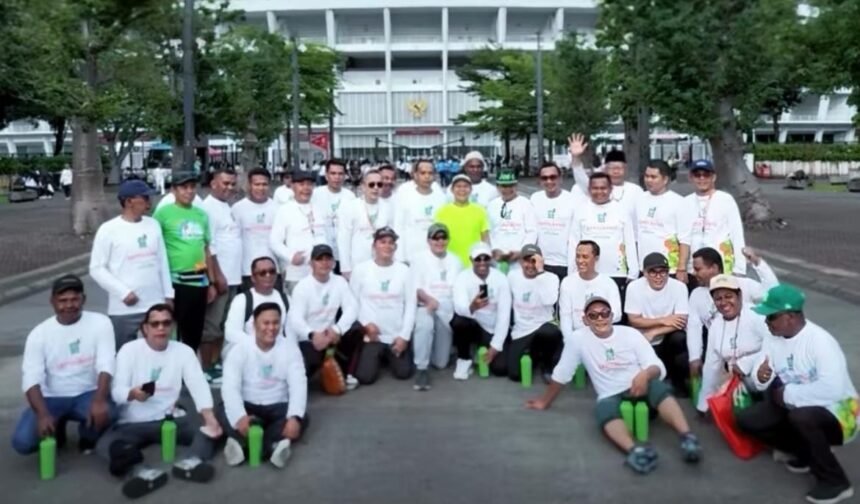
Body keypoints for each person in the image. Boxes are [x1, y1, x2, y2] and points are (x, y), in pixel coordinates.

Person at [526, 296, 702, 474]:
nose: (600, 318)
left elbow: (655, 365)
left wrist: (645, 374)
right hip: (610, 393)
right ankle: (634, 450)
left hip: (640, 384)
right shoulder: (577, 339)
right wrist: (544, 402)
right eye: (593, 315)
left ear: (611, 316)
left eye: (604, 314)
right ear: (585, 320)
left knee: (659, 389)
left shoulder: (630, 334)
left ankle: (687, 437)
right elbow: (562, 373)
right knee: (603, 409)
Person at [738, 285, 858, 504]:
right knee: (748, 420)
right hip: (795, 402)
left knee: (801, 417)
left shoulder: (821, 342)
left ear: (790, 317)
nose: (766, 322)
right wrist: (761, 377)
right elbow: (761, 371)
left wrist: (787, 394)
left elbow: (833, 388)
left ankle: (836, 482)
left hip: (842, 412)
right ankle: (804, 453)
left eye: (771, 317)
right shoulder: (773, 337)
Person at [96, 304, 221, 499]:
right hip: (134, 422)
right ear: (145, 328)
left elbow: (198, 385)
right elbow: (117, 391)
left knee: (211, 429)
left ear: (172, 327)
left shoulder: (184, 351)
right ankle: (141, 472)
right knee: (106, 443)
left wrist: (209, 416)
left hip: (171, 419)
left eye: (166, 323)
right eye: (155, 324)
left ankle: (191, 462)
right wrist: (132, 394)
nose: (161, 328)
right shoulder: (129, 350)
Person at [12, 275, 116, 455]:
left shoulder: (101, 323)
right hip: (52, 397)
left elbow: (106, 364)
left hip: (88, 393)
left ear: (83, 299)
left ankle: (88, 434)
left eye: (75, 299)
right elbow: (31, 379)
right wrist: (43, 415)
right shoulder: (39, 334)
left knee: (111, 414)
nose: (69, 305)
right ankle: (56, 426)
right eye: (63, 300)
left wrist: (99, 400)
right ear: (52, 301)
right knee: (23, 442)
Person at [219, 302, 308, 469]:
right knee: (223, 410)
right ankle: (272, 445)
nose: (271, 328)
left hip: (277, 406)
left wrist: (294, 418)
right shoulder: (239, 350)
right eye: (266, 323)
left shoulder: (291, 349)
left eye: (275, 323)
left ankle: (245, 444)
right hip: (248, 405)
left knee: (301, 417)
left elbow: (299, 385)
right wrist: (239, 417)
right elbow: (230, 387)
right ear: (254, 325)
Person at [90, 180, 173, 349]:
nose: (149, 202)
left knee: (157, 351)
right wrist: (123, 292)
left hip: (155, 304)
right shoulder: (108, 229)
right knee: (123, 353)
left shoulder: (153, 225)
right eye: (145, 198)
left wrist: (168, 295)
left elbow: (162, 262)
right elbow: (96, 268)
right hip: (124, 308)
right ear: (128, 201)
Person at [687, 246, 778, 379]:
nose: (693, 273)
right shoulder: (696, 295)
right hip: (722, 355)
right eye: (718, 298)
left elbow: (773, 292)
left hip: (751, 353)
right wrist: (694, 358)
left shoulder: (740, 284)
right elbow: (693, 327)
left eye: (698, 269)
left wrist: (757, 263)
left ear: (714, 268)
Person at [153, 171, 216, 354]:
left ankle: (189, 365)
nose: (189, 191)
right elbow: (155, 247)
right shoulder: (163, 214)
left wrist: (211, 282)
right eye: (184, 187)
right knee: (173, 330)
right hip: (176, 282)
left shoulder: (201, 215)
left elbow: (206, 249)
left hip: (200, 281)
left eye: (192, 187)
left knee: (194, 331)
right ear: (174, 190)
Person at [348, 227, 417, 384]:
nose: (387, 246)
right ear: (374, 246)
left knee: (404, 373)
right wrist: (365, 325)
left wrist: (404, 336)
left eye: (391, 243)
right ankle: (378, 356)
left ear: (395, 247)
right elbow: (352, 304)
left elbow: (411, 305)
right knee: (365, 377)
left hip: (395, 335)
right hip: (373, 336)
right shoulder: (360, 270)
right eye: (383, 242)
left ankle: (389, 355)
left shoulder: (404, 270)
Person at [288, 244, 361, 388]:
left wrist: (337, 329)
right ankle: (321, 369)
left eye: (328, 259)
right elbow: (295, 319)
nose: (324, 263)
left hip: (331, 335)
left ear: (333, 263)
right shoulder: (302, 287)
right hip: (310, 340)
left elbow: (352, 308)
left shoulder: (339, 281)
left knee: (356, 329)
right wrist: (312, 335)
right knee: (305, 376)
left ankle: (346, 372)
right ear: (311, 263)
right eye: (319, 259)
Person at [696, 274, 769, 413]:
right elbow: (711, 365)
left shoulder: (756, 315)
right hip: (736, 379)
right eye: (718, 299)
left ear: (739, 295)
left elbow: (775, 346)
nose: (723, 302)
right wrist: (704, 405)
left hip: (763, 374)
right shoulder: (716, 325)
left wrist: (746, 364)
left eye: (728, 296)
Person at [625, 252, 690, 395]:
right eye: (653, 272)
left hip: (665, 337)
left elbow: (681, 321)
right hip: (642, 338)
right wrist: (663, 320)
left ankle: (679, 383)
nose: (658, 276)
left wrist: (654, 332)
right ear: (645, 273)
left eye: (663, 272)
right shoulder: (634, 287)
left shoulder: (679, 287)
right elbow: (634, 320)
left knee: (680, 338)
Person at [200, 168, 242, 385]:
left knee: (224, 325)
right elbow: (209, 246)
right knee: (211, 326)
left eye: (232, 184)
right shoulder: (207, 208)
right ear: (213, 184)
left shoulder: (227, 206)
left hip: (234, 277)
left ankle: (216, 364)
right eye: (225, 183)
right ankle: (206, 368)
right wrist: (216, 277)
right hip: (220, 278)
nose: (229, 188)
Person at [496, 244, 561, 383]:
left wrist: (541, 273)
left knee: (550, 332)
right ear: (520, 261)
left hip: (543, 326)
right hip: (521, 330)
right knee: (515, 375)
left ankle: (547, 366)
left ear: (541, 261)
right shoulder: (512, 276)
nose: (531, 265)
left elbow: (549, 300)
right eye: (527, 261)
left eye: (534, 261)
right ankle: (533, 354)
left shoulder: (551, 278)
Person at [569, 172, 639, 298]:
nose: (599, 192)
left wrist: (633, 272)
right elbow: (574, 243)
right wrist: (572, 273)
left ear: (611, 189)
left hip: (617, 273)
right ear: (589, 189)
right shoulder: (581, 210)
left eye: (603, 188)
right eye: (595, 188)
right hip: (588, 273)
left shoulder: (622, 210)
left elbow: (629, 242)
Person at [412, 223, 463, 391]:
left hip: (446, 309)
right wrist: (428, 299)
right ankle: (421, 368)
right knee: (425, 325)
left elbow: (458, 289)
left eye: (443, 238)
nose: (440, 242)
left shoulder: (456, 260)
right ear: (428, 240)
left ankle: (427, 350)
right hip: (425, 305)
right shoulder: (419, 259)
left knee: (441, 363)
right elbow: (415, 288)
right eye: (435, 238)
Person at [450, 243, 512, 380]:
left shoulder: (500, 279)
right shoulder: (462, 277)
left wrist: (495, 346)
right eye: (478, 259)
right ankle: (464, 359)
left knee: (500, 369)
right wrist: (472, 307)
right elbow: (459, 307)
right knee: (459, 321)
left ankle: (481, 349)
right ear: (471, 260)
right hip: (473, 326)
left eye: (486, 258)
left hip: (492, 328)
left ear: (491, 259)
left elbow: (504, 315)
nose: (482, 262)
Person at [679, 159, 746, 282]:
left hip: (721, 266)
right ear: (691, 178)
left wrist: (739, 269)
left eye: (706, 175)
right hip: (694, 269)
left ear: (713, 177)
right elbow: (684, 238)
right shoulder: (685, 202)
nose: (702, 178)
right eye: (697, 175)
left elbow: (737, 235)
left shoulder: (725, 200)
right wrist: (682, 268)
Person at [223, 254, 290, 358]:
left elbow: (291, 331)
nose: (268, 275)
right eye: (262, 273)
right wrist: (260, 345)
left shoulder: (286, 299)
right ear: (253, 278)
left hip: (278, 352)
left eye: (272, 271)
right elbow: (231, 332)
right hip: (248, 352)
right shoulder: (242, 300)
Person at [270, 170, 323, 295]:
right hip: (296, 272)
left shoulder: (319, 208)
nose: (306, 188)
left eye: (309, 184)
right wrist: (291, 256)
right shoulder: (285, 210)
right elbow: (274, 242)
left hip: (321, 271)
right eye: (301, 184)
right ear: (293, 186)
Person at [568, 134, 643, 222]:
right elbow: (580, 178)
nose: (616, 172)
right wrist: (576, 157)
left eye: (619, 168)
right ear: (605, 169)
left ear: (626, 169)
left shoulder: (636, 190)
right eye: (612, 168)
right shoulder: (598, 188)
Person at [559, 240, 622, 343]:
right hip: (577, 337)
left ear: (596, 258)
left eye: (585, 257)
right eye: (578, 256)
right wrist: (569, 342)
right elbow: (565, 317)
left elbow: (616, 315)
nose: (580, 261)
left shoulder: (608, 283)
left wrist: (594, 321)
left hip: (602, 336)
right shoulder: (567, 282)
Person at [337, 169, 393, 281]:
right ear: (363, 186)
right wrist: (346, 267)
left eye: (379, 184)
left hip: (381, 264)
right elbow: (343, 239)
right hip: (357, 264)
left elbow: (392, 239)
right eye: (371, 184)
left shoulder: (388, 208)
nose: (375, 188)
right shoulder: (350, 207)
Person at [232, 168, 281, 292]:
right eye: (257, 184)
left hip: (273, 270)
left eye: (264, 184)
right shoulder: (237, 209)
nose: (261, 188)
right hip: (247, 271)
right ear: (249, 185)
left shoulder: (278, 209)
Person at [635, 160, 685, 279]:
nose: (649, 180)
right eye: (647, 176)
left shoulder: (679, 202)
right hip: (643, 266)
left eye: (653, 177)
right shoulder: (638, 199)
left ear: (665, 179)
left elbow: (684, 239)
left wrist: (681, 267)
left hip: (669, 267)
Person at [530, 162, 579, 281]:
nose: (549, 181)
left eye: (553, 177)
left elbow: (577, 234)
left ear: (560, 178)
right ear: (540, 181)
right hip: (540, 262)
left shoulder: (572, 200)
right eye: (544, 178)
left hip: (564, 263)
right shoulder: (535, 198)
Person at [394, 160, 447, 265]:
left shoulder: (441, 197)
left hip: (435, 256)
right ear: (415, 175)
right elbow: (399, 227)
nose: (427, 176)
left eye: (430, 173)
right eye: (423, 173)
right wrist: (400, 257)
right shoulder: (405, 196)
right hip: (411, 255)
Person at [434, 173, 490, 268]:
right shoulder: (442, 212)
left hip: (473, 264)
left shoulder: (480, 211)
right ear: (452, 190)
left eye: (465, 186)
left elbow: (485, 239)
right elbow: (437, 240)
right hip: (449, 264)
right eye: (458, 186)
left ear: (471, 189)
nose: (462, 190)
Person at [486, 171, 538, 273]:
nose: (507, 189)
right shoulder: (492, 205)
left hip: (519, 260)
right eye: (503, 186)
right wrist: (494, 249)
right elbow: (489, 231)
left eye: (511, 186)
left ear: (516, 185)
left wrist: (521, 251)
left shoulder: (526, 204)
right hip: (497, 258)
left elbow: (532, 231)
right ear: (498, 187)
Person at [312, 159, 356, 273]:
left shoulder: (350, 196)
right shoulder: (316, 194)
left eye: (340, 174)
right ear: (326, 175)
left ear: (345, 176)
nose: (337, 177)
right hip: (322, 252)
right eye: (333, 173)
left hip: (344, 254)